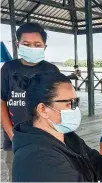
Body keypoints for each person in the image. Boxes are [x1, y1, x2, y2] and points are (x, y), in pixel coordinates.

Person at [12, 72, 102, 182]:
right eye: (69, 103)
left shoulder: (67, 137)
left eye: (76, 102)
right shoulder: (36, 158)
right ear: (43, 109)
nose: (75, 108)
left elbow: (97, 166)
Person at [1, 22, 59, 182]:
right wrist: (12, 134)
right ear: (17, 44)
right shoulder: (8, 68)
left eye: (37, 44)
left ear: (44, 47)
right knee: (17, 174)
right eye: (26, 44)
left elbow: (57, 104)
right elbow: (1, 102)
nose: (32, 48)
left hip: (45, 139)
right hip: (15, 139)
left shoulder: (51, 70)